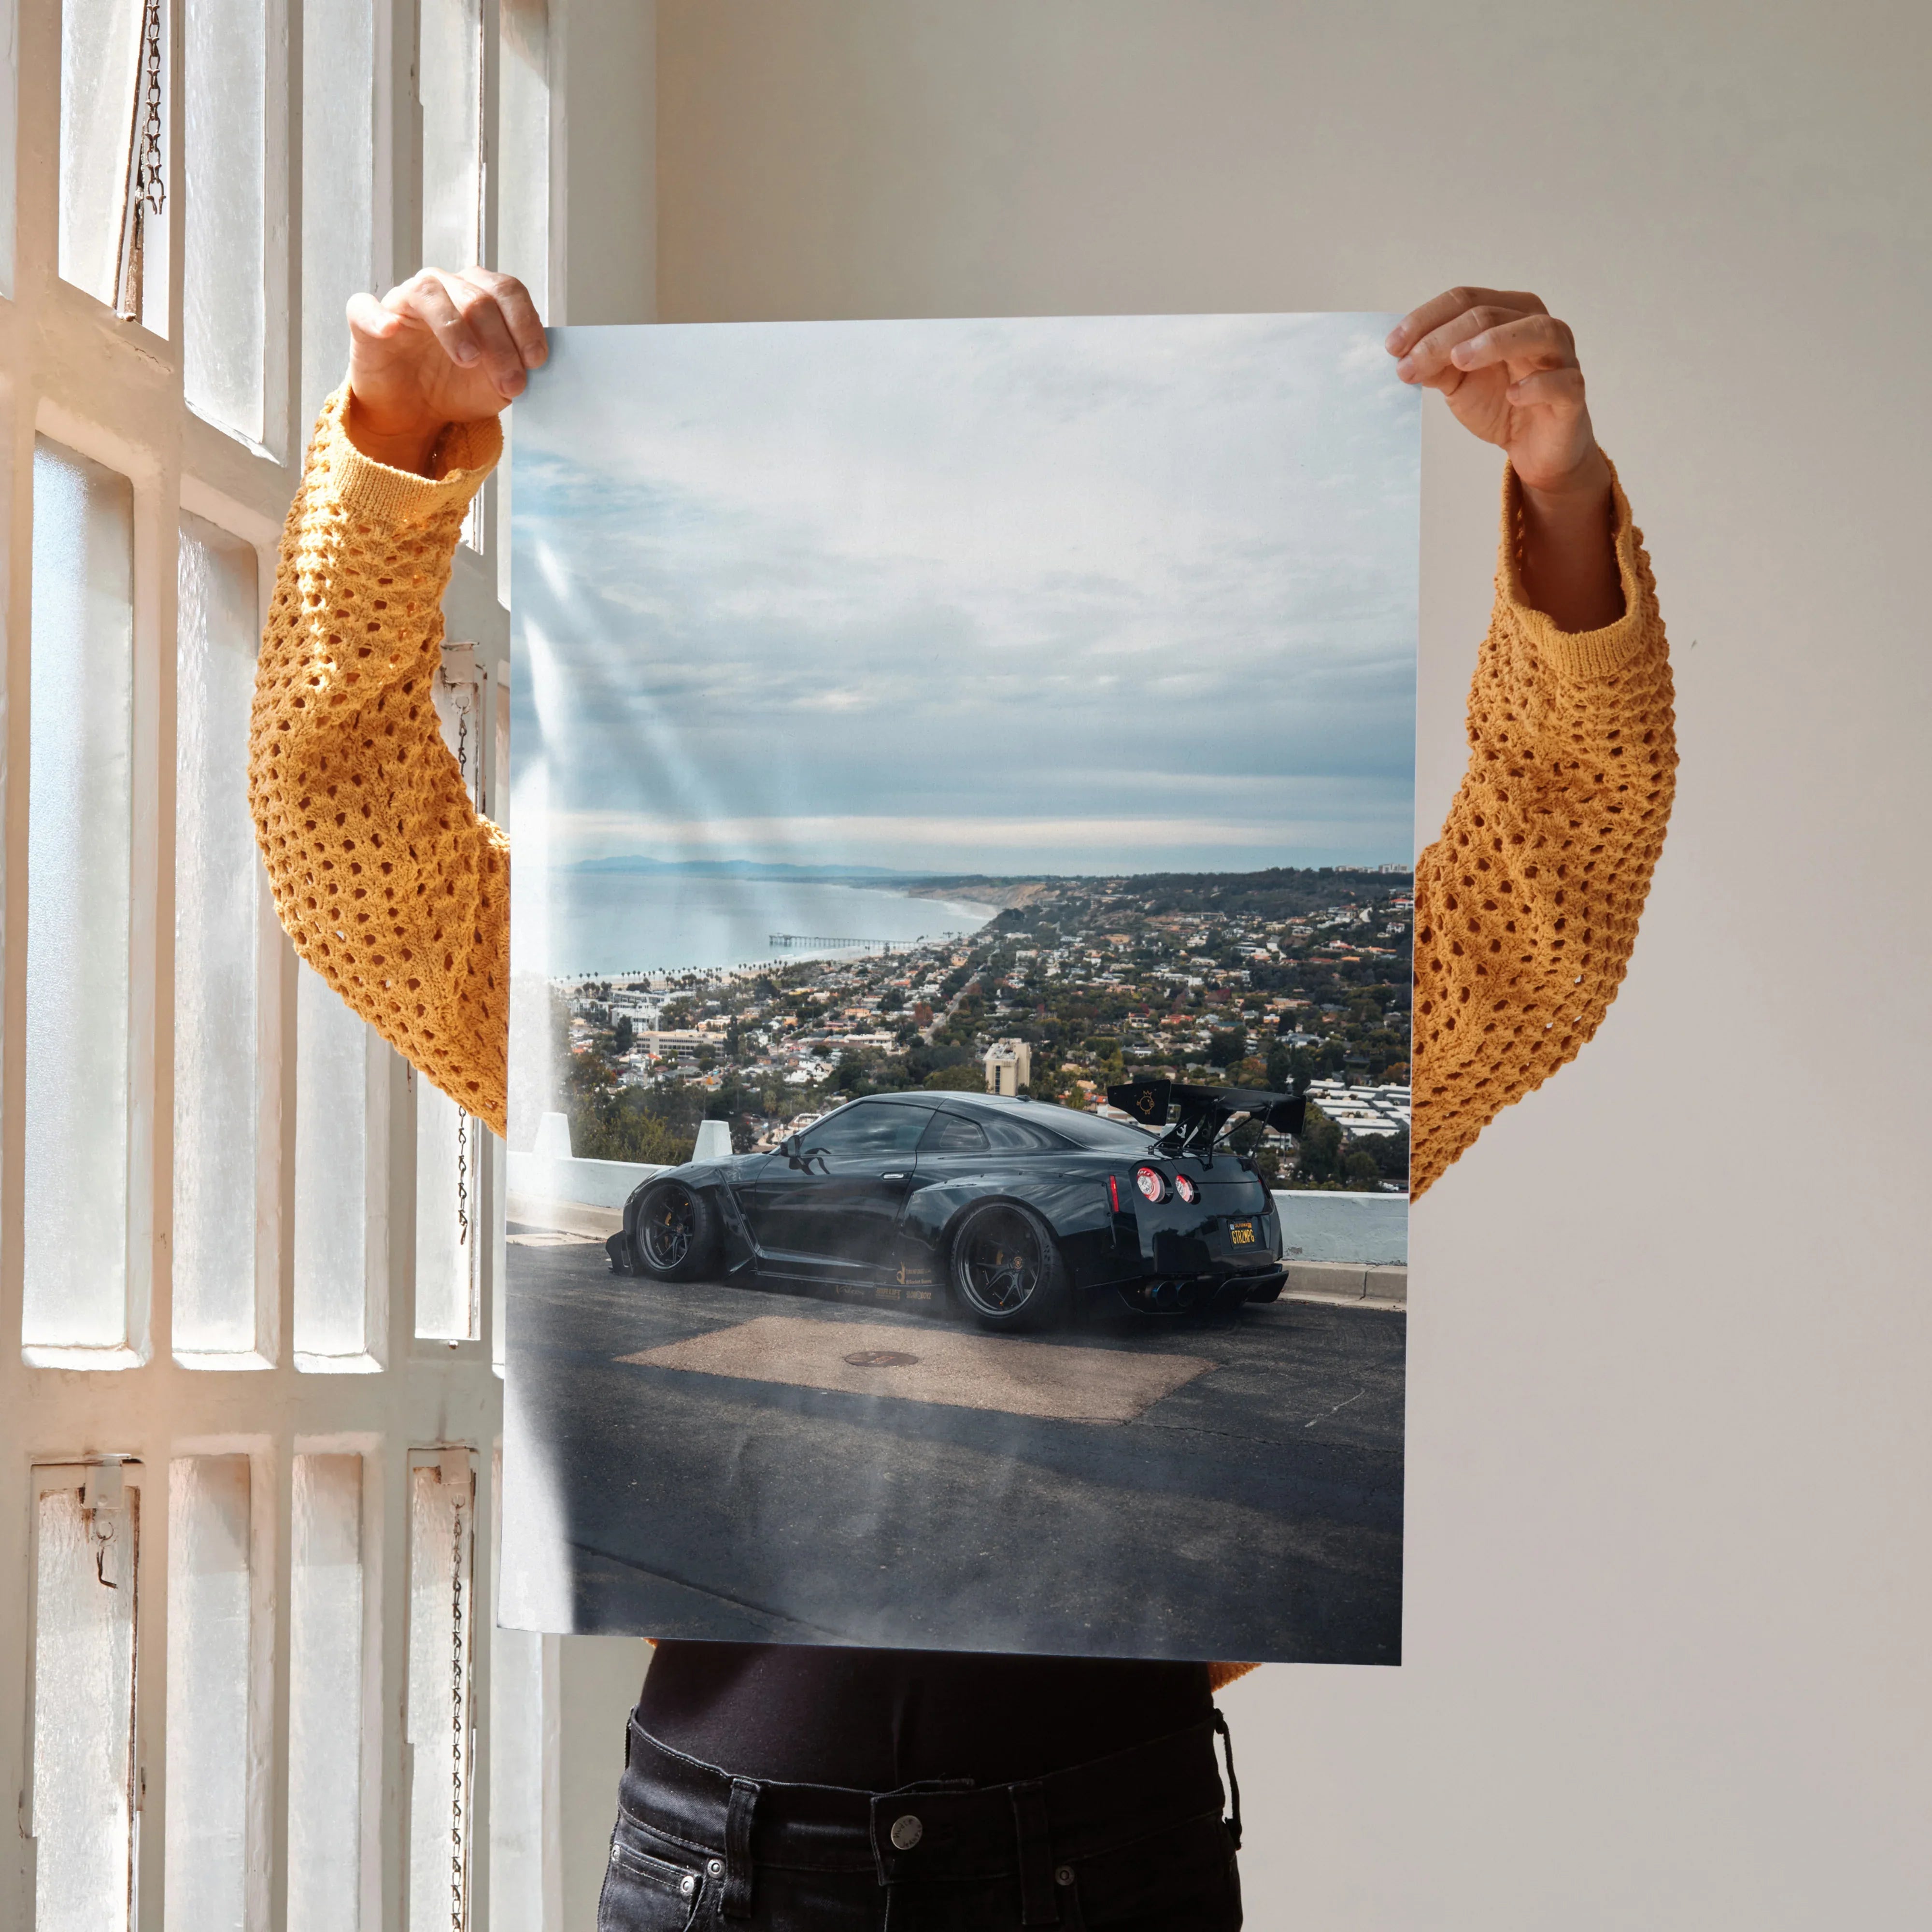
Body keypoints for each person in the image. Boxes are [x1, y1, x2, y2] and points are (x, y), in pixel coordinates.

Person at [250, 272, 1675, 1930]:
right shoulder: (610, 1036)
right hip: (741, 1859)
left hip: (1085, 1845)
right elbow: (344, 836)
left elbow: (1548, 896)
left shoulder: (1124, 1127)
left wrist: (1561, 495)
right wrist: (391, 447)